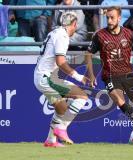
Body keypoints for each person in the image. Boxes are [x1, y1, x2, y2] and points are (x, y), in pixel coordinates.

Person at [34, 12, 89, 147]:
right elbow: (60, 61)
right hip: (46, 78)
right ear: (75, 24)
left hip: (41, 78)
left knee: (61, 107)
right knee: (82, 96)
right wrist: (78, 76)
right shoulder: (63, 36)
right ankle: (62, 128)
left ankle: (51, 140)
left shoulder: (55, 32)